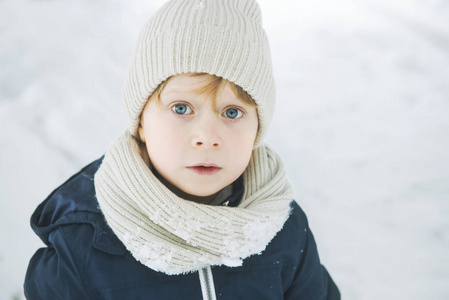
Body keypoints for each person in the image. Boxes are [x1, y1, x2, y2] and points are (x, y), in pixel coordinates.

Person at [24, 0, 340, 299]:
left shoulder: (281, 226)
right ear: (141, 123)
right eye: (181, 108)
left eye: (232, 112)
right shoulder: (82, 242)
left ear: (257, 129)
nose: (207, 137)